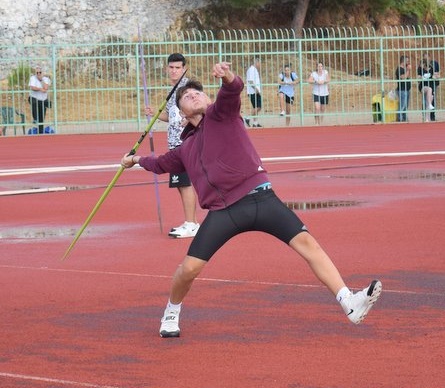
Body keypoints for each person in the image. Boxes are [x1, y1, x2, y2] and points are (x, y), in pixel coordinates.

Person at [121, 62, 383, 338]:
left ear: (209, 99)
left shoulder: (222, 114)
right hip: (224, 211)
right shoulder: (184, 148)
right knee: (189, 269)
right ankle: (171, 313)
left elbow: (233, 89)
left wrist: (228, 76)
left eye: (198, 92)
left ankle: (349, 302)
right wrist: (135, 159)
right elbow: (160, 162)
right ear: (182, 115)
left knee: (308, 243)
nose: (194, 95)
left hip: (260, 197)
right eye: (187, 96)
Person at [144, 53, 199, 239]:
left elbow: (200, 111)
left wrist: (190, 120)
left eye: (177, 67)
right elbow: (170, 117)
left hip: (185, 143)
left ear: (184, 68)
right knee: (180, 184)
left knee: (185, 184)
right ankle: (190, 222)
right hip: (174, 144)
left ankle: (191, 224)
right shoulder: (172, 91)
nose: (174, 70)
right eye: (171, 67)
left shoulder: (188, 89)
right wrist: (154, 114)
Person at [28, 66, 51, 134]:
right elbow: (32, 87)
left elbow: (46, 87)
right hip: (33, 97)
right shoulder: (32, 78)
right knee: (34, 102)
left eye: (40, 72)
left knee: (42, 116)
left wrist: (41, 80)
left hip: (42, 99)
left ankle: (40, 132)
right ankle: (35, 118)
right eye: (37, 72)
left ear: (42, 73)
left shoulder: (46, 79)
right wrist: (40, 89)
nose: (38, 74)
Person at [307, 61, 330, 125]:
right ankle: (316, 122)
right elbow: (309, 80)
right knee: (317, 108)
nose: (320, 68)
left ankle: (321, 121)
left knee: (322, 109)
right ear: (316, 67)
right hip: (316, 93)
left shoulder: (325, 72)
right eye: (318, 66)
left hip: (325, 93)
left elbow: (328, 79)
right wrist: (316, 81)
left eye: (321, 66)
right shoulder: (313, 73)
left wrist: (323, 81)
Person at [421, 52, 440, 121]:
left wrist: (435, 78)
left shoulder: (434, 64)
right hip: (424, 85)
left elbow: (437, 74)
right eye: (424, 58)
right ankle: (425, 116)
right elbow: (419, 76)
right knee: (424, 101)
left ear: (430, 57)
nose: (426, 59)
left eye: (427, 57)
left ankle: (432, 116)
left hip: (432, 84)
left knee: (432, 100)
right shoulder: (421, 65)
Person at [244, 57, 262, 127]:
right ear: (256, 62)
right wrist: (256, 89)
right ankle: (247, 117)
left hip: (254, 91)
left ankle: (255, 123)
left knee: (255, 107)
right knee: (258, 107)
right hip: (253, 92)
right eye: (259, 63)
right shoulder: (252, 70)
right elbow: (250, 81)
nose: (260, 65)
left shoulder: (254, 70)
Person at [395, 55, 411, 122]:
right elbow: (403, 77)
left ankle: (404, 118)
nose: (408, 62)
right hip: (402, 90)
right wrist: (408, 70)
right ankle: (399, 118)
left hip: (406, 89)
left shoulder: (404, 69)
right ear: (403, 61)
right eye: (407, 61)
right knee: (402, 105)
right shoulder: (399, 69)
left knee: (405, 105)